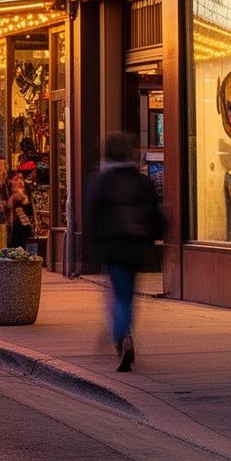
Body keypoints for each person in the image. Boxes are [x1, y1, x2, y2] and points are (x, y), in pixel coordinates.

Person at [86, 132, 164, 372]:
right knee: (127, 295)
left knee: (119, 296)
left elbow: (92, 217)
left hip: (113, 247)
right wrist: (155, 238)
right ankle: (123, 333)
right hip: (137, 247)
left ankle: (122, 337)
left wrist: (91, 246)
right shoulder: (142, 182)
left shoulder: (101, 181)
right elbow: (156, 215)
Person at [6, 172, 36, 251]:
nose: (20, 181)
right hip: (15, 230)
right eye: (16, 179)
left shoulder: (27, 192)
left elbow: (32, 210)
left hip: (27, 228)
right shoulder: (10, 195)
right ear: (11, 182)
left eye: (21, 178)